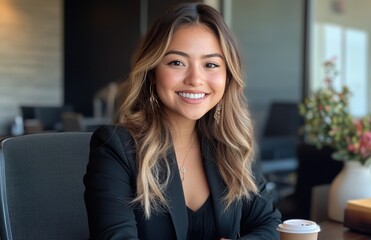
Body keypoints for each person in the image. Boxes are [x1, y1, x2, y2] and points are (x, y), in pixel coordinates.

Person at [83, 2, 281, 239]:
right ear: (152, 73)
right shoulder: (116, 147)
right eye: (177, 62)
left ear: (227, 77)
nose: (195, 79)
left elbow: (269, 224)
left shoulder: (231, 146)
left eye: (210, 64)